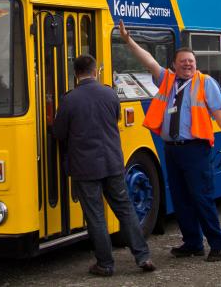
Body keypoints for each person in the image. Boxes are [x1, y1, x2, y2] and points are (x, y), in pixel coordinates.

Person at [118, 19, 221, 263]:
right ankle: (192, 243)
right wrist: (128, 41)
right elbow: (149, 61)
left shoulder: (206, 83)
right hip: (172, 149)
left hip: (196, 149)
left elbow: (219, 113)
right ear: (174, 64)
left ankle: (217, 243)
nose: (188, 65)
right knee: (181, 199)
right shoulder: (166, 80)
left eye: (191, 62)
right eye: (183, 62)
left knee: (201, 198)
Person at [53, 54, 156, 277]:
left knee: (96, 216)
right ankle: (143, 256)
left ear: (75, 73)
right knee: (125, 210)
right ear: (95, 71)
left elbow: (59, 133)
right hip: (112, 163)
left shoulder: (69, 100)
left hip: (85, 167)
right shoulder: (110, 94)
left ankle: (105, 264)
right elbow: (115, 119)